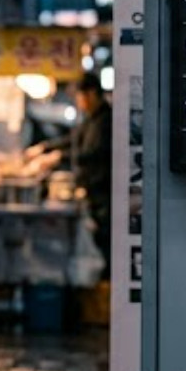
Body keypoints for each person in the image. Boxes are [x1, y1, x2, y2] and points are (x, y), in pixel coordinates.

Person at [74, 73, 113, 278]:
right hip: (95, 196)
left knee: (105, 248)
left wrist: (58, 157)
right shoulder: (91, 120)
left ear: (91, 94)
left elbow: (94, 154)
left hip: (104, 198)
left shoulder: (106, 120)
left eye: (80, 97)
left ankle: (103, 294)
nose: (79, 103)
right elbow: (71, 141)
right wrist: (46, 148)